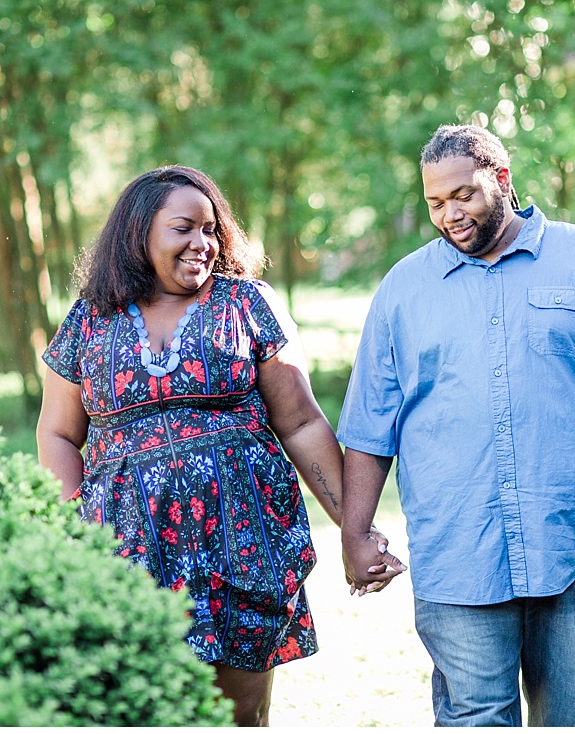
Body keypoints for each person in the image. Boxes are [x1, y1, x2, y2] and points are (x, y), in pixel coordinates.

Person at [36, 165, 404, 726]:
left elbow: (302, 423)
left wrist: (354, 532)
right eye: (184, 228)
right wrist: (75, 536)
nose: (201, 243)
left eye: (211, 229)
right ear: (139, 233)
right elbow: (59, 433)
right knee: (146, 711)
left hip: (243, 546)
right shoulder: (91, 318)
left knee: (240, 713)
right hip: (127, 553)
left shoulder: (245, 304)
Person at [335, 124, 575, 726]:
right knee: (475, 720)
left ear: (502, 179)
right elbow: (369, 423)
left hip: (574, 544)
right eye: (435, 203)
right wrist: (354, 531)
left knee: (565, 720)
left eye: (462, 195)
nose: (449, 216)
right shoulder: (403, 291)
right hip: (458, 549)